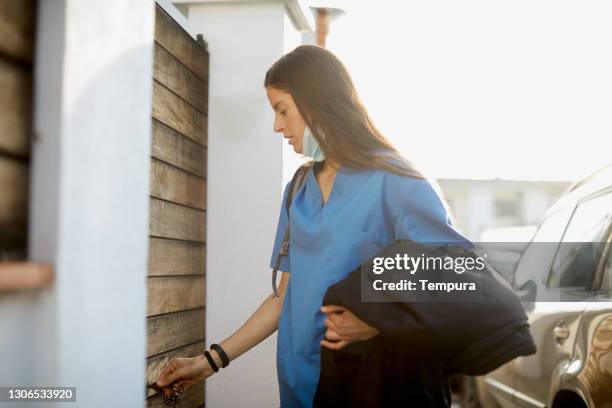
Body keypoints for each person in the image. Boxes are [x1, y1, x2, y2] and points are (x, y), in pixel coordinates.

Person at [156, 44, 471, 407]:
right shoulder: (298, 191)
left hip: (376, 392)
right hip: (300, 392)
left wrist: (378, 320)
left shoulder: (397, 181)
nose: (277, 126)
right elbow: (284, 298)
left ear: (316, 101)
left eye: (282, 110)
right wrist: (208, 362)